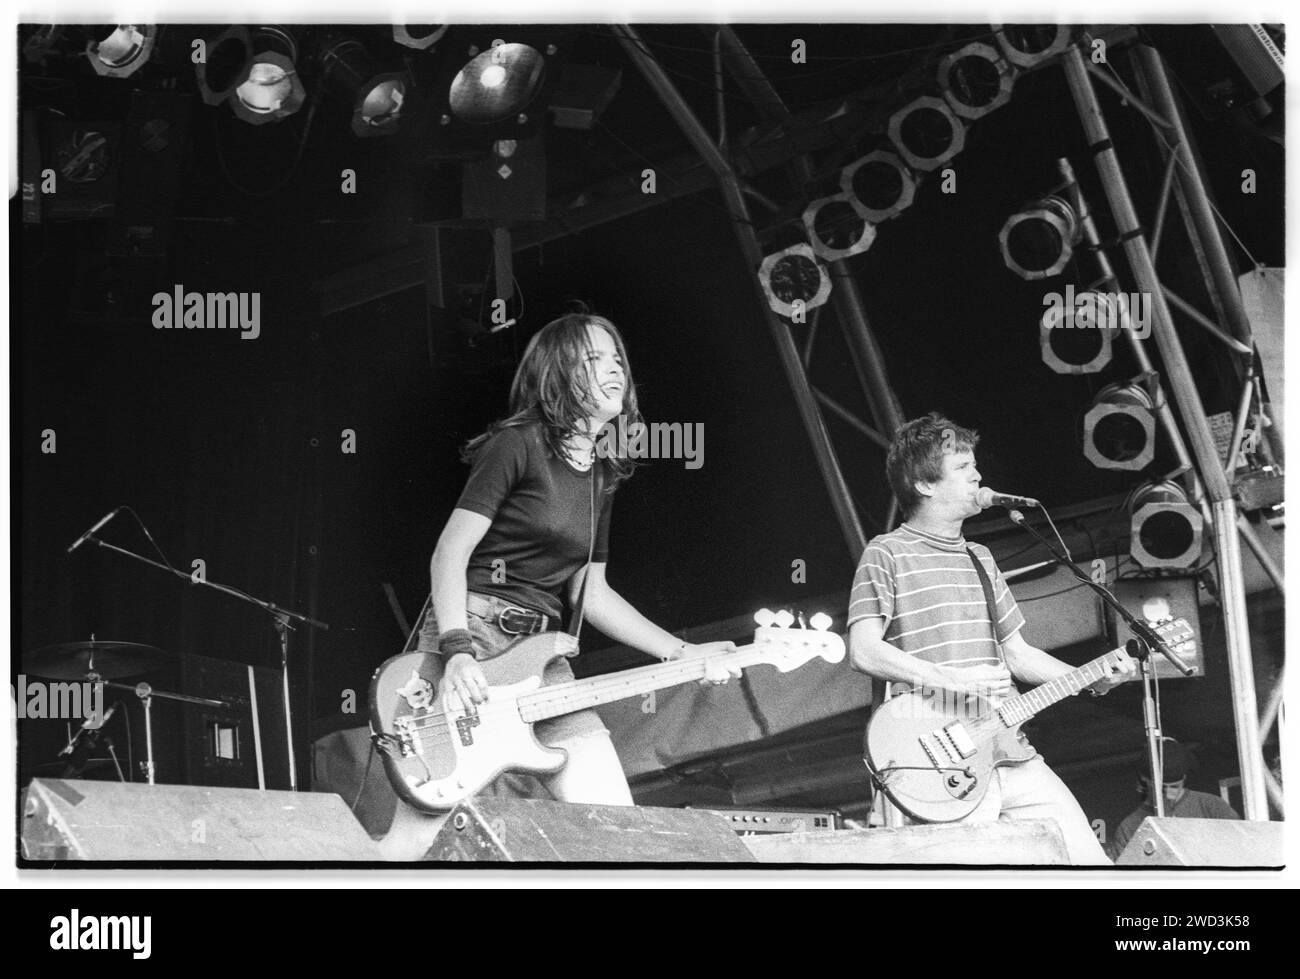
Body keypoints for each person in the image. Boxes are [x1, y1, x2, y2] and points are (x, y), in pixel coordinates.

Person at [416, 309, 738, 808]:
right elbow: (448, 555)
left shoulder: (600, 473)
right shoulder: (515, 444)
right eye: (593, 359)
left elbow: (592, 592)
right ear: (558, 373)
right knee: (444, 817)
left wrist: (681, 652)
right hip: (475, 635)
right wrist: (456, 651)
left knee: (610, 809)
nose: (615, 370)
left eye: (617, 359)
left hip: (543, 655)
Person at [847, 413, 1136, 864]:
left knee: (1089, 864)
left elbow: (1018, 655)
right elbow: (864, 649)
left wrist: (1094, 677)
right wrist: (951, 679)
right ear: (924, 485)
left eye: (974, 465)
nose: (978, 475)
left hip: (1009, 747)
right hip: (941, 759)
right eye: (962, 467)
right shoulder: (885, 552)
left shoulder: (980, 558)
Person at [1106, 738, 1240, 861]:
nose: (1169, 795)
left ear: (1185, 778)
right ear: (1144, 779)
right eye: (1162, 789)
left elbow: (1242, 851)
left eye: (1175, 787)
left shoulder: (1212, 807)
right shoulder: (1129, 827)